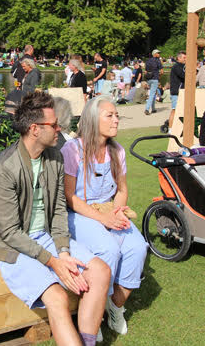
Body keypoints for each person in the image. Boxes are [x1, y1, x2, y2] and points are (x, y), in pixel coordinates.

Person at [0, 91, 110, 346]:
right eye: (53, 125)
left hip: (46, 236)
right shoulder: (3, 169)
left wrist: (62, 251)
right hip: (11, 245)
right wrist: (52, 262)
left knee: (101, 271)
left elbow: (59, 209)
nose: (59, 128)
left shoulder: (55, 157)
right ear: (35, 129)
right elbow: (8, 233)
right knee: (57, 297)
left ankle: (87, 341)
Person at [60, 95, 148, 336]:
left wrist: (117, 212)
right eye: (110, 115)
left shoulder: (117, 151)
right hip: (79, 213)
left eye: (116, 115)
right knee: (109, 249)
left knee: (138, 248)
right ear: (92, 120)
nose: (116, 120)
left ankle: (114, 305)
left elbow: (122, 189)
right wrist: (103, 220)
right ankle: (94, 315)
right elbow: (70, 197)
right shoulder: (73, 149)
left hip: (108, 210)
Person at [168, 51, 187, 128]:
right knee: (174, 110)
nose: (186, 59)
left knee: (183, 111)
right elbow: (184, 75)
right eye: (184, 58)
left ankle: (179, 128)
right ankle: (170, 129)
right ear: (179, 58)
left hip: (183, 91)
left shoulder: (183, 66)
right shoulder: (176, 66)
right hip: (176, 92)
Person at [144, 50, 162, 115]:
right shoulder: (157, 60)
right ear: (154, 54)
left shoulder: (148, 61)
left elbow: (145, 71)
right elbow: (161, 71)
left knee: (153, 93)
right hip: (155, 79)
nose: (159, 54)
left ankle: (153, 108)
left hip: (149, 79)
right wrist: (159, 76)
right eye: (158, 53)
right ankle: (147, 109)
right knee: (152, 94)